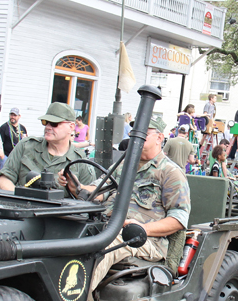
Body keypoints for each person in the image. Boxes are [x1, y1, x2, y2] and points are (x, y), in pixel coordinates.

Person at [65, 116, 191, 292]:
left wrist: (142, 229)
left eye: (143, 134)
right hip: (106, 226)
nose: (136, 138)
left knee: (104, 245)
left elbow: (178, 219)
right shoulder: (123, 165)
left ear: (159, 138)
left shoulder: (170, 173)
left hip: (144, 239)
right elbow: (98, 192)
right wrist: (77, 187)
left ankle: (74, 299)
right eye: (133, 134)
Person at [0, 102, 93, 191]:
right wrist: (20, 199)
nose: (48, 127)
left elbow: (90, 198)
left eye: (54, 124)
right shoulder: (26, 146)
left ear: (71, 127)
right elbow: (4, 179)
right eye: (45, 122)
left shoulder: (80, 161)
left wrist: (75, 188)